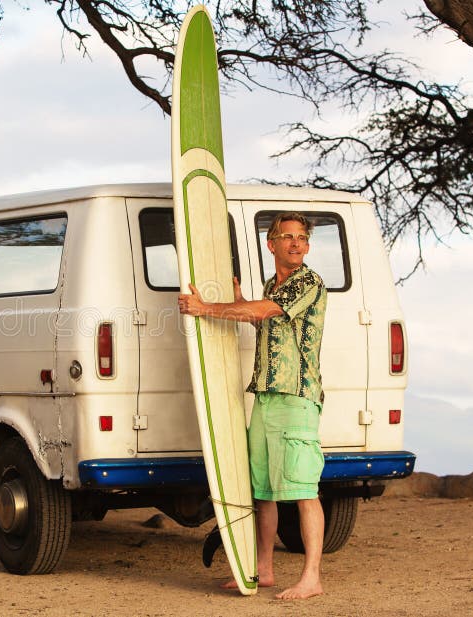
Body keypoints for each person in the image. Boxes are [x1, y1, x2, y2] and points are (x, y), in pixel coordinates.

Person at [178, 212, 327, 600]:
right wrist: (243, 303)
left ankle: (312, 577)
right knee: (262, 489)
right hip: (265, 395)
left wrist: (206, 308)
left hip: (296, 397)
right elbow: (264, 320)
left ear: (307, 246)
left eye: (301, 238)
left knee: (304, 489)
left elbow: (264, 313)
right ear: (271, 244)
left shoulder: (308, 281)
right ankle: (264, 569)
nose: (296, 243)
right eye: (287, 237)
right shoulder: (270, 286)